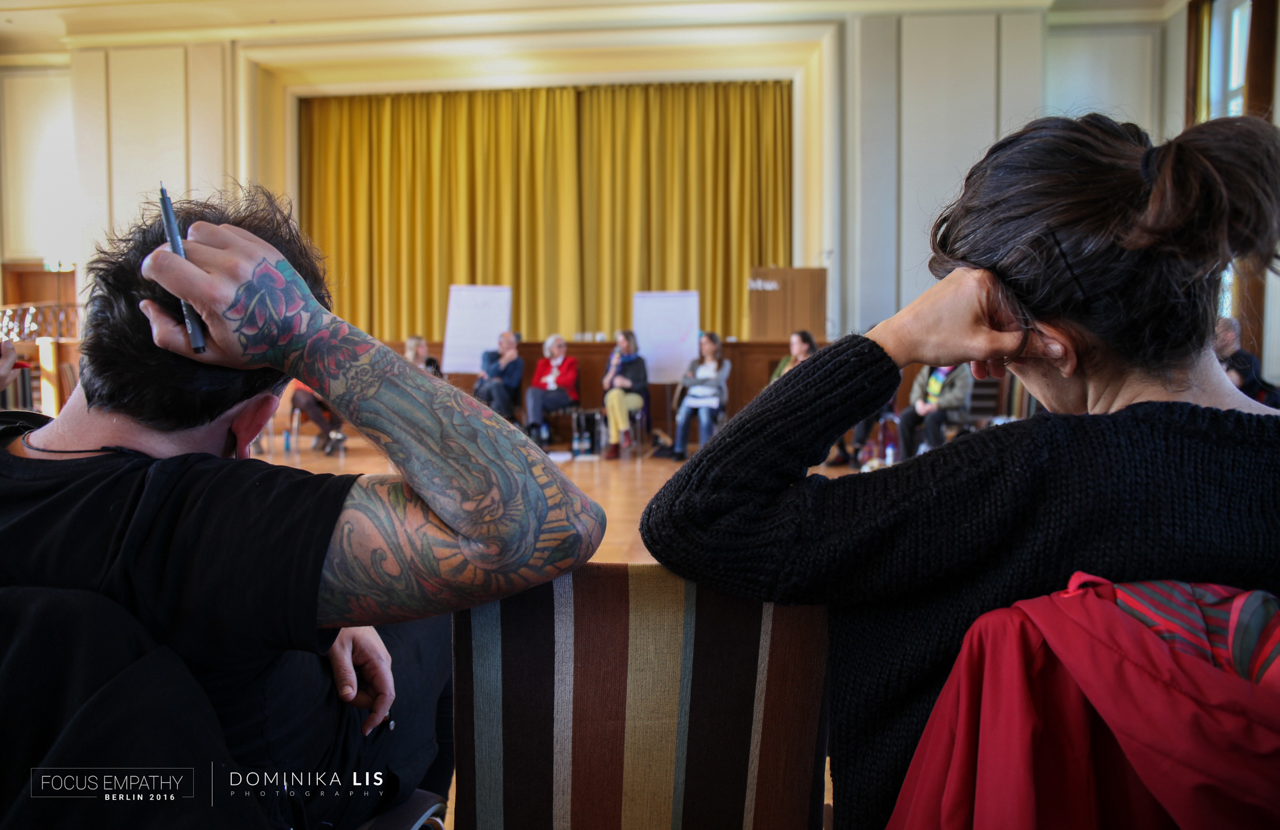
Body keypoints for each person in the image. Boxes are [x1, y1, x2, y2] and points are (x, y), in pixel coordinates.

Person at [640, 114, 1280, 830]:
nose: (983, 367)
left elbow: (697, 516)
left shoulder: (1026, 479)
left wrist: (896, 337)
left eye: (999, 344)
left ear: (1055, 345)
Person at [0, 187, 606, 830]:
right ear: (256, 420)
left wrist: (317, 596)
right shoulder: (212, 519)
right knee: (457, 605)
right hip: (269, 789)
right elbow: (552, 524)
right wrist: (306, 334)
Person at [659, 332, 730, 462]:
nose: (702, 347)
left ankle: (705, 452)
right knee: (682, 415)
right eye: (701, 344)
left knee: (704, 414)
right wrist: (707, 379)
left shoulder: (724, 363)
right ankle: (679, 450)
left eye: (706, 343)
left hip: (711, 400)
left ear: (715, 345)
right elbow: (686, 381)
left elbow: (716, 382)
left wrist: (695, 380)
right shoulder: (695, 363)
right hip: (693, 398)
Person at [896, 362, 973, 458]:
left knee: (931, 419)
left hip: (950, 409)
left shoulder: (962, 369)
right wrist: (918, 401)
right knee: (905, 417)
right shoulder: (932, 365)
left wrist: (936, 405)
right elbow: (919, 385)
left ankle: (938, 457)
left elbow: (960, 396)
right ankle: (905, 459)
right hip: (927, 406)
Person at [524, 333, 578, 446]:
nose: (563, 348)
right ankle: (536, 430)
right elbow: (535, 383)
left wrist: (550, 379)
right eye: (559, 346)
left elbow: (569, 382)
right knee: (532, 392)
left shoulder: (570, 362)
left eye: (564, 345)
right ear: (550, 348)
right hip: (544, 395)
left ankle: (534, 432)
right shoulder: (542, 363)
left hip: (563, 395)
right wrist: (555, 381)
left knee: (535, 399)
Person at [601, 329, 647, 460]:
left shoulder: (639, 361)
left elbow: (643, 385)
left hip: (634, 396)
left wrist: (628, 383)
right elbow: (605, 385)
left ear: (630, 342)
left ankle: (614, 444)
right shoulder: (614, 360)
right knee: (614, 395)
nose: (620, 345)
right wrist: (613, 368)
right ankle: (626, 433)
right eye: (618, 342)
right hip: (616, 397)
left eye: (623, 342)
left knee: (613, 400)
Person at [473, 331, 523, 419]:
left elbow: (513, 383)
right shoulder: (488, 355)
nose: (513, 346)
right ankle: (509, 418)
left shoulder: (518, 362)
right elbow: (488, 373)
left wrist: (495, 379)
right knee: (495, 384)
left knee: (495, 405)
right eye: (510, 343)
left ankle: (497, 421)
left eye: (514, 343)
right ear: (500, 343)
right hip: (485, 393)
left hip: (505, 395)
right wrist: (505, 360)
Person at [290, 381, 346, 454]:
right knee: (306, 401)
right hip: (303, 391)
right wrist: (315, 391)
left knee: (338, 401)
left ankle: (332, 435)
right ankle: (332, 433)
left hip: (325, 391)